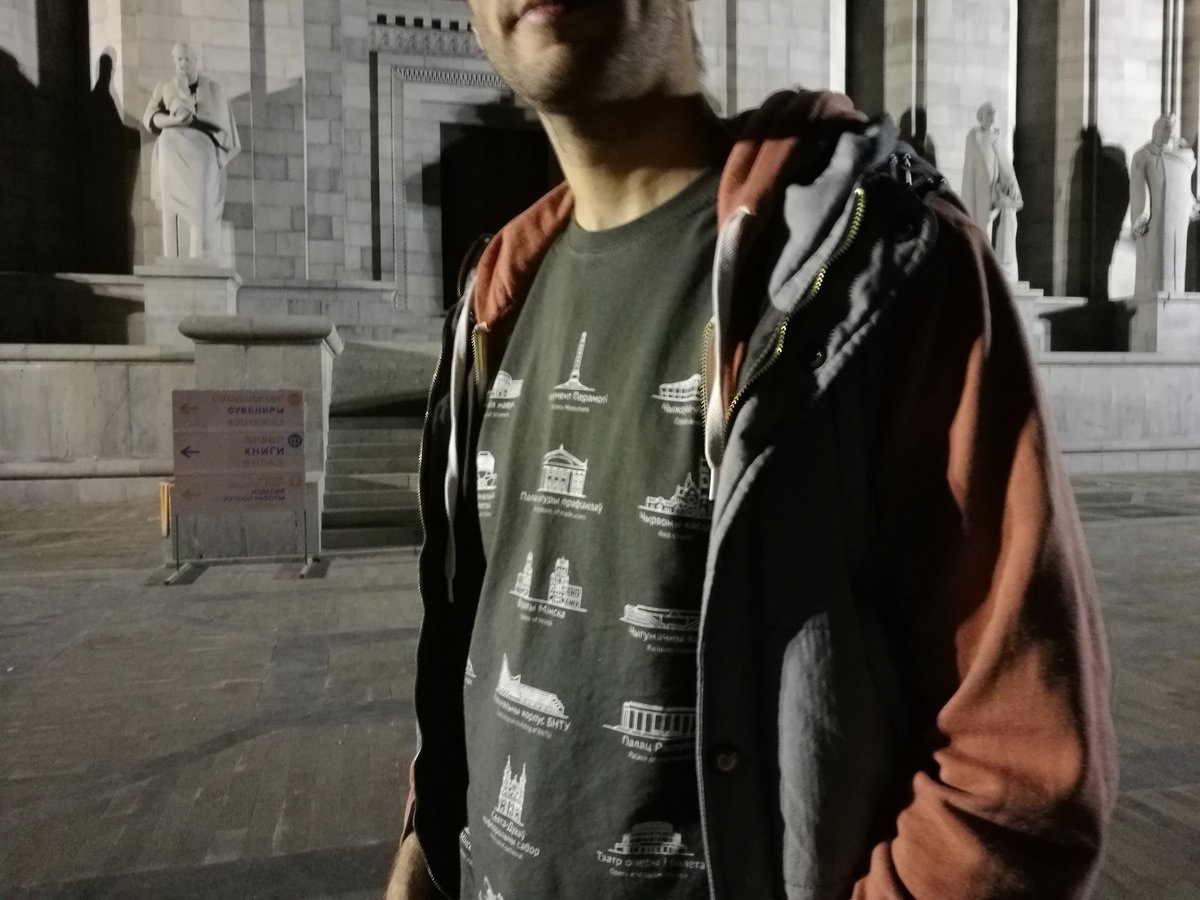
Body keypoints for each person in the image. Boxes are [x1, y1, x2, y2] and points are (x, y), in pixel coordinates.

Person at [389, 2, 1116, 898]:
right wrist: (419, 858)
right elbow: (474, 655)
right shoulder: (496, 300)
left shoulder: (882, 267)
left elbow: (1018, 770)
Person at [142, 43, 240, 261]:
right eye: (179, 59)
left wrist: (197, 117)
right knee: (171, 207)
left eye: (187, 59)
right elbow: (150, 117)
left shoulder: (212, 88)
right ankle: (172, 256)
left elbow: (224, 129)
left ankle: (200, 256)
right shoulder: (165, 86)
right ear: (174, 61)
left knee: (200, 204)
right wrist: (173, 120)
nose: (183, 64)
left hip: (202, 149)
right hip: (171, 147)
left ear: (196, 61)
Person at [1130, 112, 1200, 298]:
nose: (1169, 134)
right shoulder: (1143, 156)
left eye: (1171, 130)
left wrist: (1192, 205)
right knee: (1155, 261)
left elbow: (1183, 187)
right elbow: (1138, 188)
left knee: (1176, 261)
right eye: (1165, 129)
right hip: (1155, 219)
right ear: (1157, 130)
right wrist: (1141, 215)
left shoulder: (1181, 158)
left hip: (1177, 220)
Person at [962, 101, 1023, 281]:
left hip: (995, 189)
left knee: (1004, 222)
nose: (993, 117)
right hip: (980, 189)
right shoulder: (974, 137)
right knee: (982, 226)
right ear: (982, 116)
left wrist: (1012, 183)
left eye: (994, 113)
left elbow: (1005, 164)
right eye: (989, 113)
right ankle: (983, 264)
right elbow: (969, 170)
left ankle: (1000, 266)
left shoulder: (997, 136)